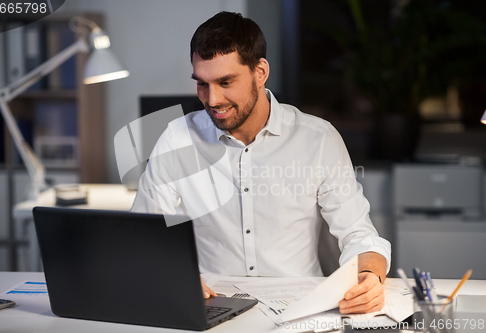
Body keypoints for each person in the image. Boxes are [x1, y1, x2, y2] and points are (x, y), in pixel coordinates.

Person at [131, 11, 391, 314]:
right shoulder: (178, 139)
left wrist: (369, 277)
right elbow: (143, 235)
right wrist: (171, 274)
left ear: (260, 72)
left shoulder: (317, 140)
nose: (212, 99)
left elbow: (359, 235)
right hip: (211, 304)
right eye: (202, 84)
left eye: (226, 81)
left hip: (302, 306)